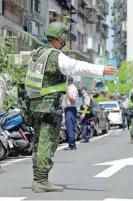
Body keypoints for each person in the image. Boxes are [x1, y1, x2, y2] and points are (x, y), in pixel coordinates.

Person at [22, 21, 118, 193]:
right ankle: (41, 181)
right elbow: (76, 66)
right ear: (62, 37)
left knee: (38, 143)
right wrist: (101, 70)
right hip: (48, 106)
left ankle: (38, 177)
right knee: (46, 143)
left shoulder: (37, 53)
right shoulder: (56, 56)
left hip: (34, 105)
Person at [64, 76, 78, 150]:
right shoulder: (70, 88)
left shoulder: (72, 89)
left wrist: (67, 94)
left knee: (70, 127)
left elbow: (73, 100)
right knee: (69, 127)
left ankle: (71, 144)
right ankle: (72, 144)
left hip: (70, 109)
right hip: (69, 109)